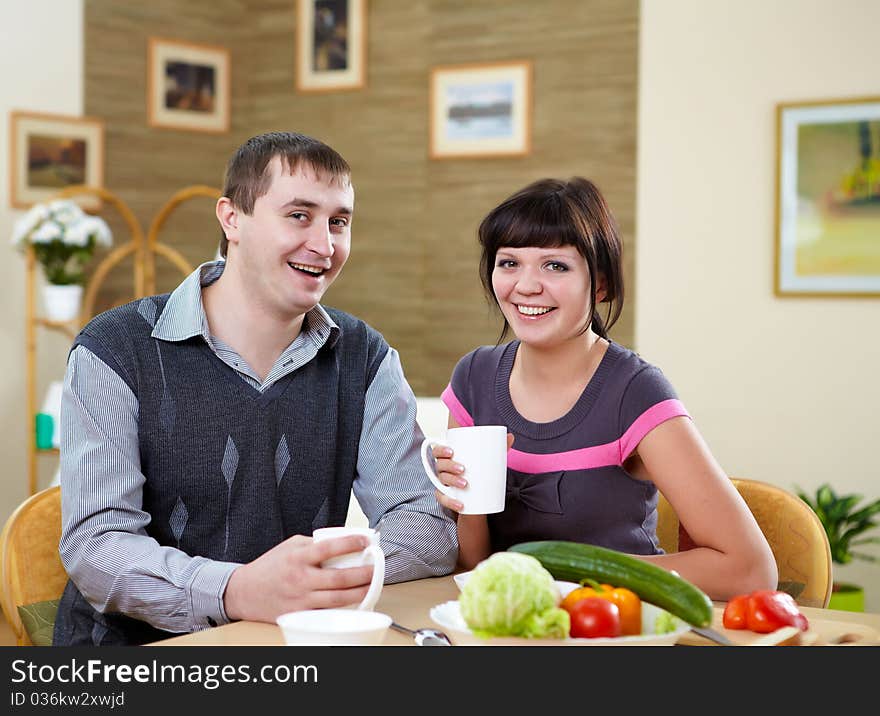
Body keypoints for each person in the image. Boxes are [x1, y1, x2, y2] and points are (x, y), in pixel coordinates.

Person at [53, 131, 458, 646]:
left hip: (297, 645)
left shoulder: (364, 355)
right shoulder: (114, 349)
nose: (324, 245)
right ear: (231, 219)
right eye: (299, 215)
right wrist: (237, 590)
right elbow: (96, 546)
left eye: (339, 222)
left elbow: (425, 526)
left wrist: (313, 576)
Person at [431, 177, 776, 601]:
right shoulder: (473, 378)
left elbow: (749, 569)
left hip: (617, 627)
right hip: (514, 628)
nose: (525, 285)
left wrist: (575, 577)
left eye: (555, 265)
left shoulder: (635, 392)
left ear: (601, 284)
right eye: (509, 263)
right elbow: (474, 567)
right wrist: (467, 504)